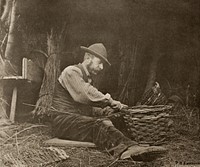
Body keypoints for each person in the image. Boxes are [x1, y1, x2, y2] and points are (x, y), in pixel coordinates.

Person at [51, 43, 167, 161]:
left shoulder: (86, 78)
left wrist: (107, 111)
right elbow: (85, 95)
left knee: (114, 118)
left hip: (76, 121)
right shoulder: (71, 71)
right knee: (98, 124)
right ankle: (126, 150)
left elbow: (88, 106)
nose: (101, 67)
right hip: (64, 122)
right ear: (88, 57)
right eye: (100, 62)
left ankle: (135, 145)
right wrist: (110, 101)